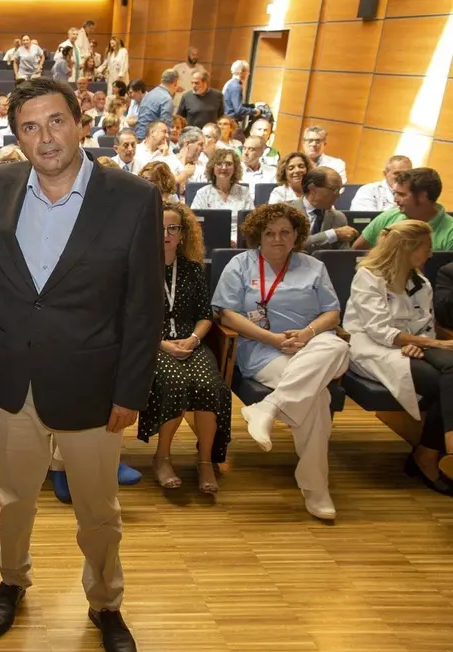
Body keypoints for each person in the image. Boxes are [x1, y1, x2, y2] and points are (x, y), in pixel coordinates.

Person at [0, 78, 161, 652]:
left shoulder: (132, 197)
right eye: (29, 127)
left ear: (82, 123)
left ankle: (106, 603)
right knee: (12, 500)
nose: (45, 137)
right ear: (17, 138)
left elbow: (144, 306)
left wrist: (132, 389)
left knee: (99, 512)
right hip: (13, 382)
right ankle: (12, 581)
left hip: (94, 388)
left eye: (56, 121)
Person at [212, 203, 347, 520]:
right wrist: (272, 339)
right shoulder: (240, 265)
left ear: (297, 235)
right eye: (269, 232)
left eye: (285, 231)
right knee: (318, 398)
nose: (277, 238)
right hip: (263, 349)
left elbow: (332, 312)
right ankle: (316, 487)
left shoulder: (313, 267)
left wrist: (307, 333)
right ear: (258, 236)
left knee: (338, 348)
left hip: (313, 345)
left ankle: (270, 407)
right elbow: (226, 313)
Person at [345, 220, 453, 496]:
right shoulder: (369, 276)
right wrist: (425, 342)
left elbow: (424, 326)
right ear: (408, 248)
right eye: (427, 247)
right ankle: (430, 455)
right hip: (371, 347)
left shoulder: (422, 282)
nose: (430, 254)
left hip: (412, 346)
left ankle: (432, 452)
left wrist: (418, 343)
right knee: (438, 381)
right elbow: (379, 330)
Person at [140, 202, 230, 492]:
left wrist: (193, 339)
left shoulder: (193, 270)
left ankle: (204, 461)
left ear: (183, 234)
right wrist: (163, 344)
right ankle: (162, 457)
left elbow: (205, 315)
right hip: (154, 345)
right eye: (160, 228)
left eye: (173, 228)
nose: (165, 234)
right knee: (175, 382)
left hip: (191, 342)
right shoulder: (139, 270)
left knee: (209, 385)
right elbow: (132, 319)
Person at [354, 168, 453, 250]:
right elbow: (356, 252)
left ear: (423, 196)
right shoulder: (390, 215)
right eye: (395, 193)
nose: (395, 199)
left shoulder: (450, 232)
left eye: (401, 194)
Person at [191, 148, 255, 246]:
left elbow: (251, 222)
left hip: (240, 242)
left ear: (235, 168)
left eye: (228, 164)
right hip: (210, 241)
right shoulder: (202, 193)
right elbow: (194, 223)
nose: (224, 168)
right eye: (219, 163)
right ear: (213, 167)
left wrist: (237, 241)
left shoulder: (244, 192)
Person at [289, 167, 357, 252]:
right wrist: (332, 235)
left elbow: (342, 256)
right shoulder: (286, 212)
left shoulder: (338, 218)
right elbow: (290, 246)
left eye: (340, 190)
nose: (338, 195)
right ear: (312, 189)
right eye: (335, 190)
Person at [134, 69, 177, 140]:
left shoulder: (149, 94)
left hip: (138, 137)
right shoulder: (167, 99)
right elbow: (165, 127)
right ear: (175, 83)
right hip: (151, 140)